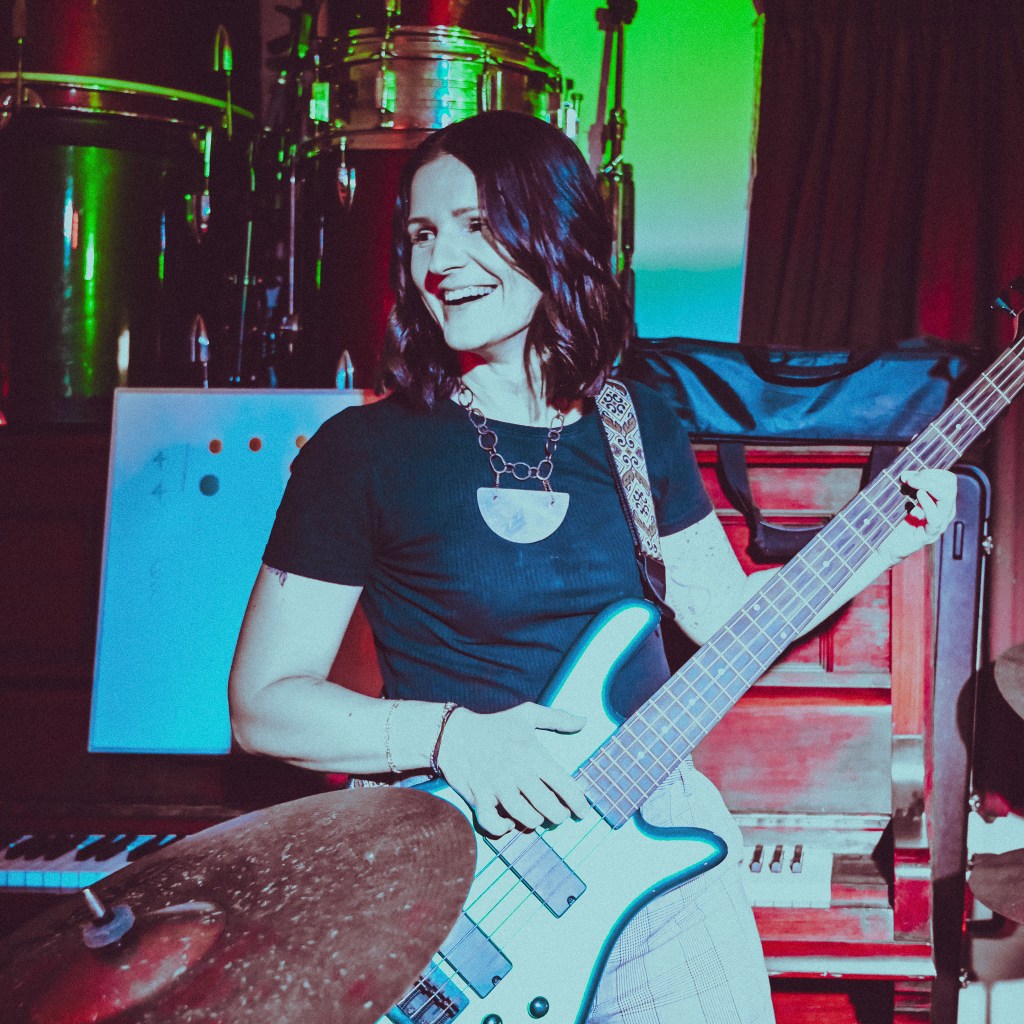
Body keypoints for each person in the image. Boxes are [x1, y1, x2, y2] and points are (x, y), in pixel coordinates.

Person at [229, 110, 957, 1024]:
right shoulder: (362, 452)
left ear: (556, 232)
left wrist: (878, 541)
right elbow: (263, 705)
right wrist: (455, 737)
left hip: (656, 849)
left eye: (476, 224)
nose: (440, 261)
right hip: (465, 871)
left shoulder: (637, 422)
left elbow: (727, 620)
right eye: (420, 233)